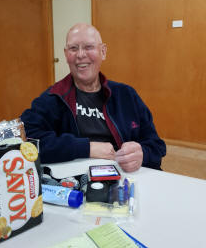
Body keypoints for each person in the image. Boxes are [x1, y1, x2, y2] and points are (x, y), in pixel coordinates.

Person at [21, 23, 166, 172]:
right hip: (77, 180)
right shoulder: (53, 97)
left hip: (127, 176)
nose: (80, 54)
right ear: (66, 54)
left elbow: (156, 145)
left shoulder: (127, 95)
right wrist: (86, 147)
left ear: (103, 52)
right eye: (73, 48)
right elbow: (26, 139)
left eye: (88, 47)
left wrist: (142, 154)